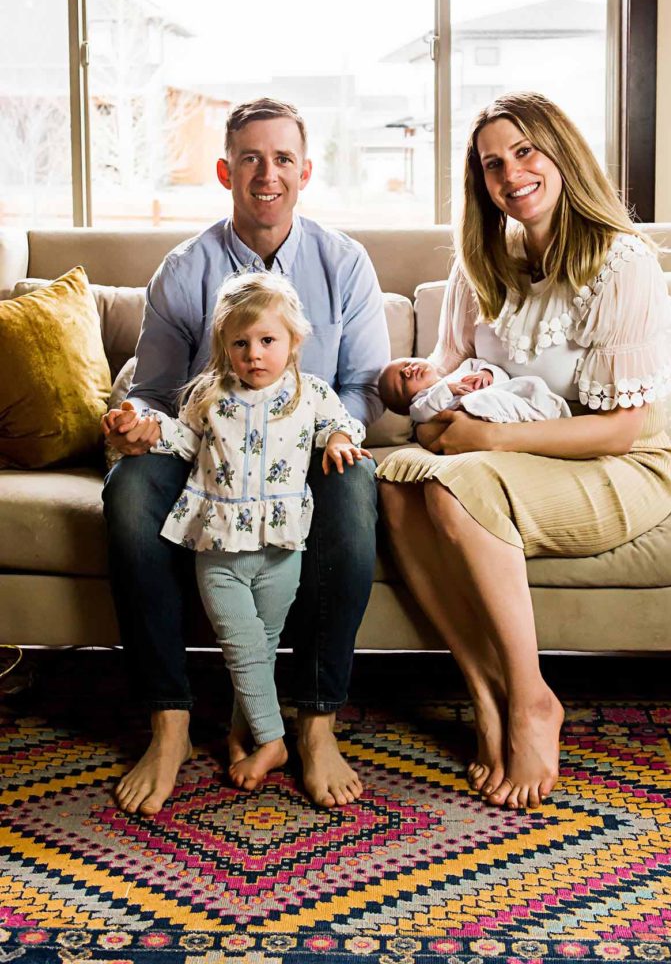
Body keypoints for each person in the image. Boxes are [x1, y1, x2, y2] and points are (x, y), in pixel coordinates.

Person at [376, 92, 671, 810]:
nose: (511, 174)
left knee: (453, 486)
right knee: (392, 482)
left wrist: (491, 436)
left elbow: (621, 431)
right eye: (492, 164)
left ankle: (534, 699)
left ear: (562, 153)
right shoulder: (480, 265)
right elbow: (442, 382)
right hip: (504, 454)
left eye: (526, 151)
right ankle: (484, 692)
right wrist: (419, 396)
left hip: (613, 466)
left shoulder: (620, 263)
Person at [101, 97, 389, 815]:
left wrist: (332, 437)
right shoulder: (184, 269)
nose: (268, 174)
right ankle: (168, 722)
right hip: (208, 450)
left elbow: (359, 388)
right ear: (228, 170)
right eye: (252, 159)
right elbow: (161, 394)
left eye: (283, 158)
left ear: (305, 171)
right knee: (131, 489)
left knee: (354, 489)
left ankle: (315, 724)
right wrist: (137, 426)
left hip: (308, 448)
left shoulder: (344, 262)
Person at [119, 270, 371, 791]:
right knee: (240, 643)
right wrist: (141, 430)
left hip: (283, 545)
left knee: (262, 640)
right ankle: (277, 739)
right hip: (218, 545)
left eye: (267, 340)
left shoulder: (311, 393)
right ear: (224, 347)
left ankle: (248, 733)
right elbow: (182, 440)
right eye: (241, 343)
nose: (254, 353)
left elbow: (342, 422)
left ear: (294, 342)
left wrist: (343, 438)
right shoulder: (208, 396)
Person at [378, 356, 571, 424]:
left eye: (407, 363)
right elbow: (421, 413)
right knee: (476, 401)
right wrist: (448, 389)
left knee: (532, 384)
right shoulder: (422, 403)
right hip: (478, 410)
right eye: (402, 380)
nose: (408, 371)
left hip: (500, 394)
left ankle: (549, 413)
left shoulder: (464, 368)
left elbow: (490, 369)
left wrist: (487, 374)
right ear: (408, 401)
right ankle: (536, 417)